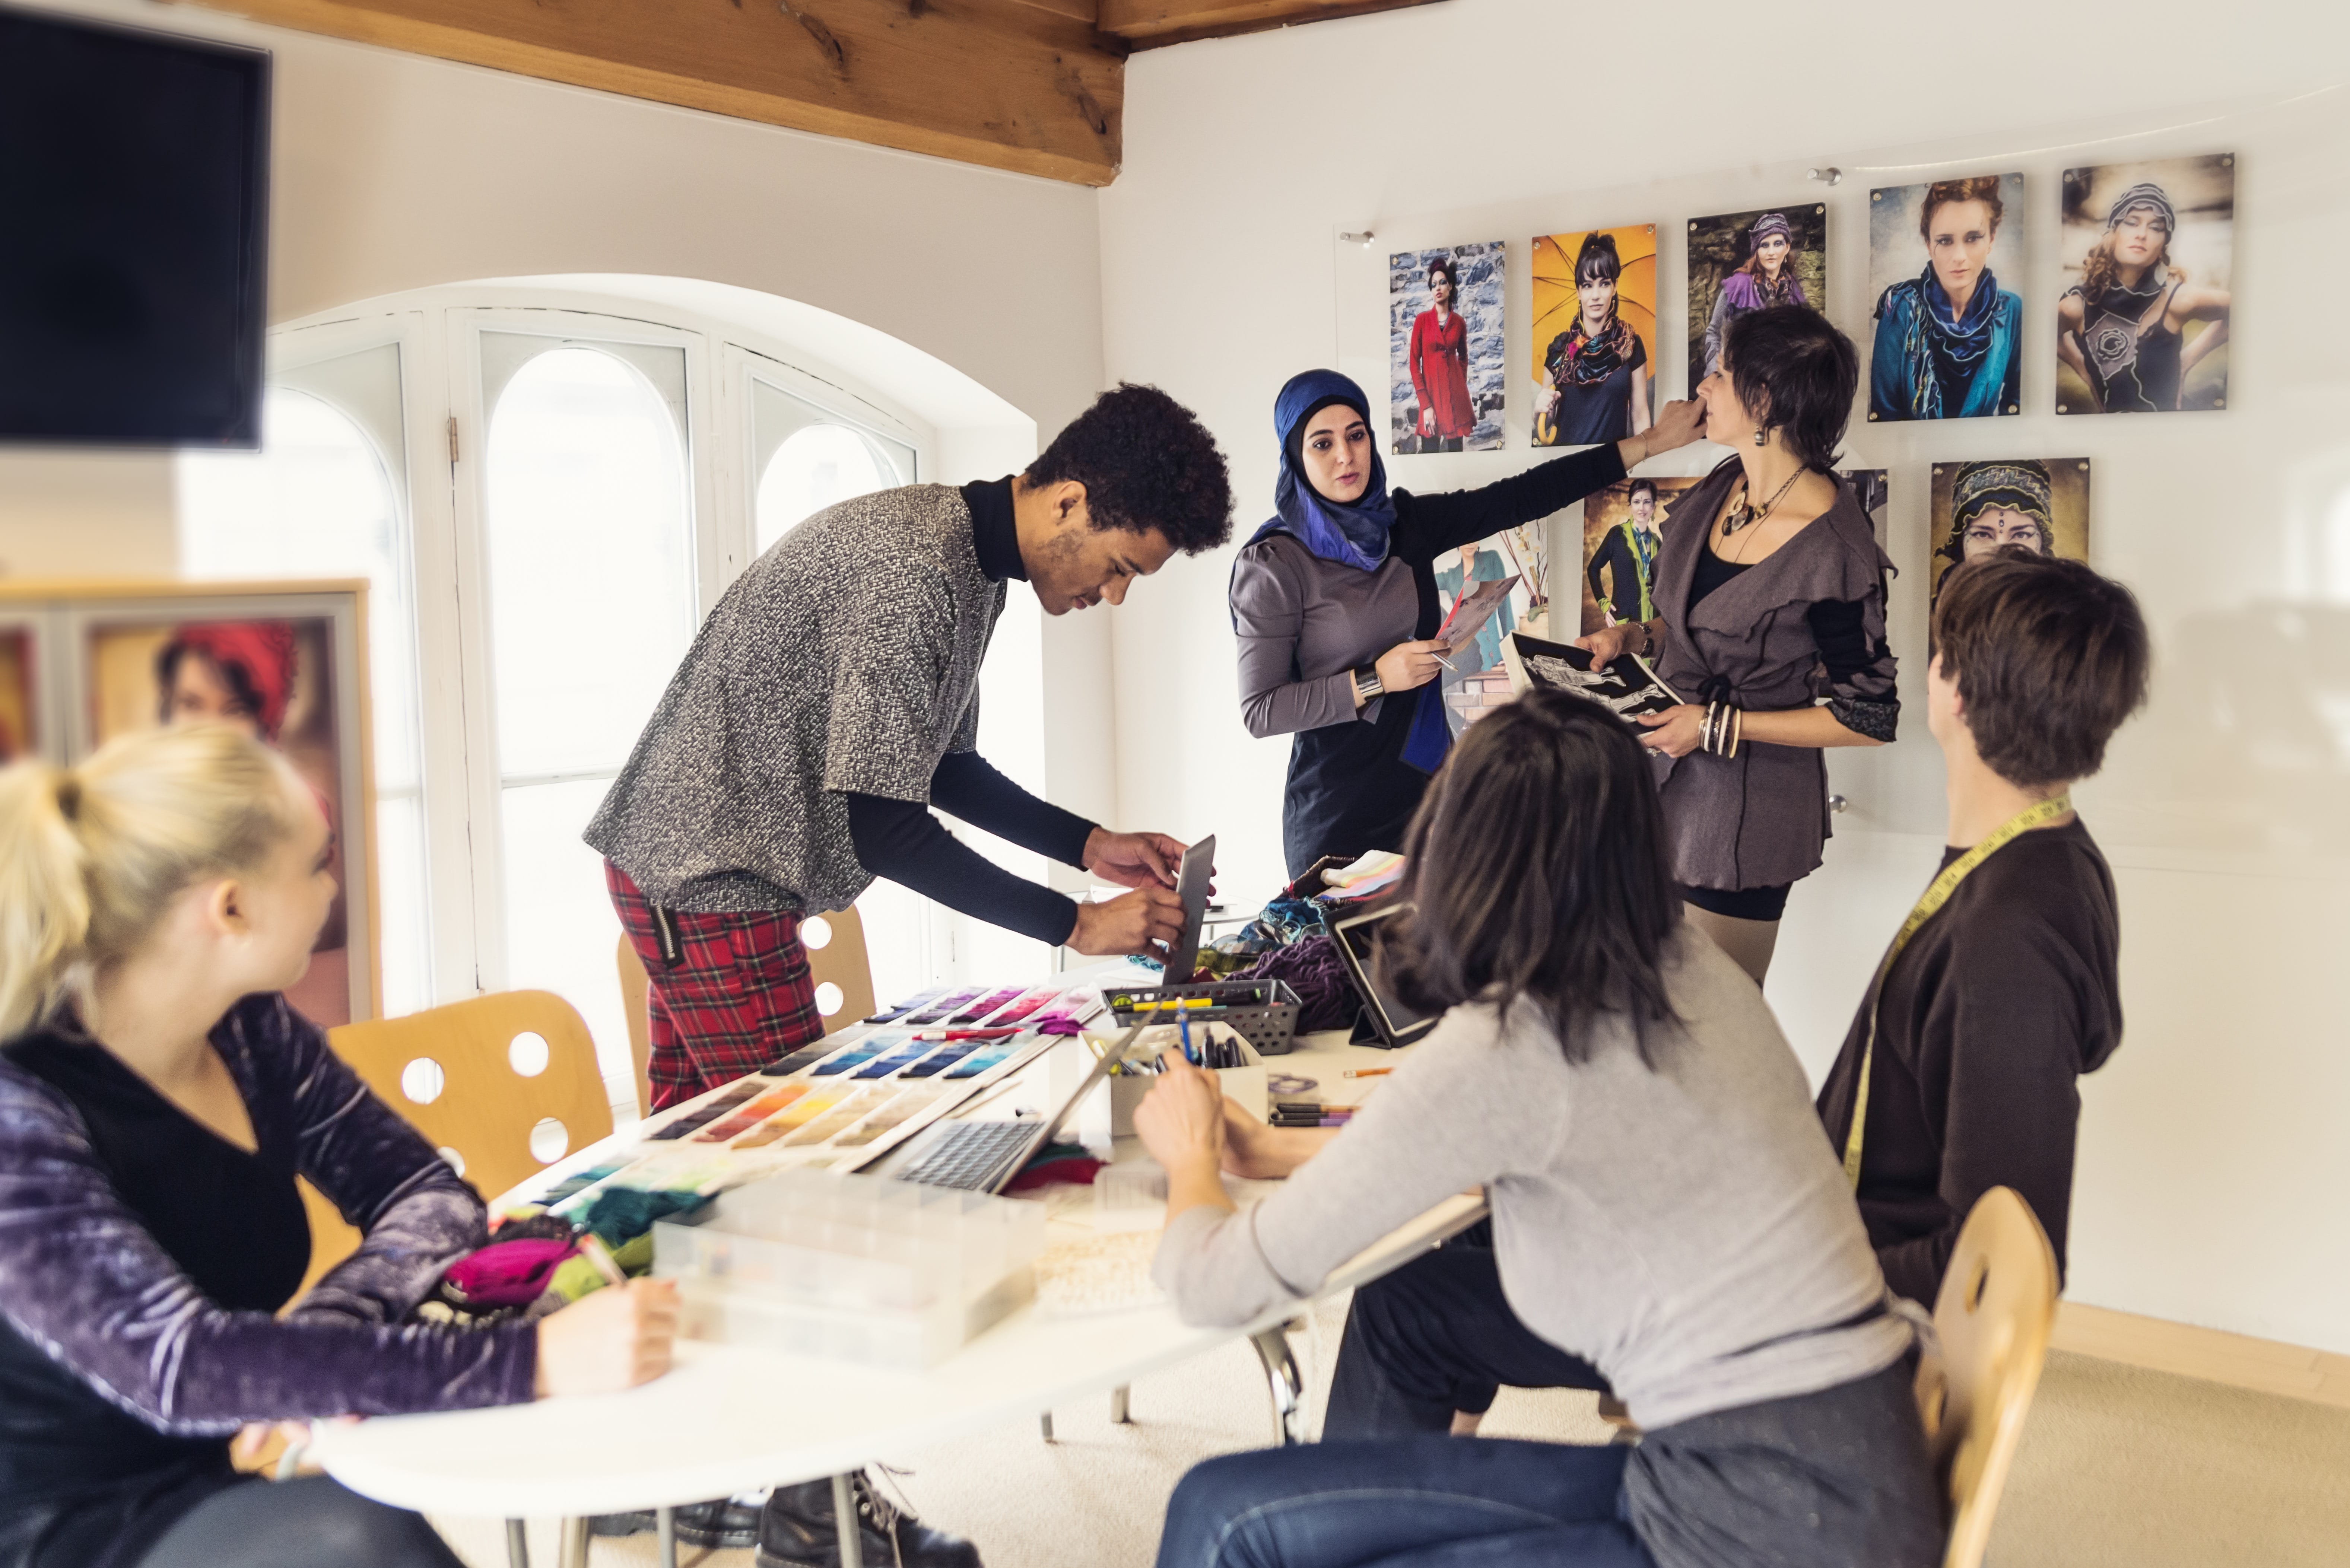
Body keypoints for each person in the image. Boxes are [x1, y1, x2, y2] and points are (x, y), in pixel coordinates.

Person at [1136, 689, 1942, 1568]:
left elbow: (1215, 1286)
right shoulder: (1678, 961)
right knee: (1407, 1306)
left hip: (1752, 1526)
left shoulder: (1515, 1040)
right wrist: (1282, 1149)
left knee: (1219, 1511)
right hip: (1841, 1462)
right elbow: (1523, 1159)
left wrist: (1189, 1160)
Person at [0, 723, 680, 1568]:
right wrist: (530, 1359)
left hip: (205, 1475)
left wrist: (325, 1336)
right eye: (317, 864)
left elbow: (428, 1194)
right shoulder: (19, 1109)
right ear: (232, 906)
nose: (333, 891)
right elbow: (180, 1363)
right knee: (366, 1539)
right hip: (58, 1526)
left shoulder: (250, 1031)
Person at [586, 384, 1232, 1109]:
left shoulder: (972, 565)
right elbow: (887, 830)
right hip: (708, 867)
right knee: (796, 1144)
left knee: (692, 1144)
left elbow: (944, 769)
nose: (1113, 595)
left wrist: (1089, 844)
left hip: (710, 862)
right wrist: (1077, 923)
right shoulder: (920, 569)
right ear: (1068, 503)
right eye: (1120, 566)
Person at [1819, 551, 2150, 1304]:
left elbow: (2002, 1267)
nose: (1927, 670)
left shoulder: (2009, 942)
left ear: (1958, 696)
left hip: (1857, 1331)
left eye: (1936, 656)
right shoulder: (2041, 852)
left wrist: (1792, 1283)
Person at [1231, 369, 1703, 880]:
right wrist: (1375, 679)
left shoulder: (1404, 525)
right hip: (1339, 810)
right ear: (1294, 458)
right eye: (1322, 443)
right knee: (1346, 961)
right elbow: (1260, 710)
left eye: (1356, 434)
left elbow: (1524, 495)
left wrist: (1651, 442)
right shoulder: (1273, 564)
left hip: (1431, 791)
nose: (1345, 455)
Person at [1577, 306, 1897, 986]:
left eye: (1720, 373)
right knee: (1641, 1022)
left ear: (1766, 401)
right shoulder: (1721, 487)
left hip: (1746, 817)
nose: (1705, 388)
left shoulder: (1837, 547)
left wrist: (1717, 726)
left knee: (1713, 1036)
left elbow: (1868, 717)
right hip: (1658, 789)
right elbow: (1701, 628)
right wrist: (1632, 635)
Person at [2059, 181, 2231, 413]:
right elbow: (2040, 334)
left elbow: (2252, 307)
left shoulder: (2178, 301)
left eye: (2156, 228)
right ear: (2114, 232)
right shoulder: (2075, 307)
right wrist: (2084, 370)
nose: (2142, 235)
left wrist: (2188, 360)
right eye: (2131, 223)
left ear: (2163, 246)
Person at [1871, 175, 2023, 420]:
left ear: (1992, 239)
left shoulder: (2012, 309)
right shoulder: (1901, 307)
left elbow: (2018, 403)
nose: (1959, 256)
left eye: (1973, 238)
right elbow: (1885, 411)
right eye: (1945, 241)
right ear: (1929, 244)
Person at [1536, 232, 1652, 446]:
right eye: (1588, 285)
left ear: (1615, 287)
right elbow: (1545, 427)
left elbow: (1639, 414)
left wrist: (1645, 462)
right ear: (1579, 292)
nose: (1596, 295)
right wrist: (1541, 412)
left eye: (1604, 284)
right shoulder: (1560, 350)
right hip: (1565, 469)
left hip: (1612, 469)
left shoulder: (1631, 345)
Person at [1701, 211, 1808, 381]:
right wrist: (1717, 373)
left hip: (1778, 383)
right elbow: (1713, 333)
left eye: (1778, 244)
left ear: (1787, 247)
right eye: (1764, 245)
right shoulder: (1737, 285)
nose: (1771, 252)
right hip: (1737, 380)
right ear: (1756, 250)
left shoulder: (1794, 289)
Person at [1933, 460, 2056, 604]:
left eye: (2021, 535)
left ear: (2043, 546)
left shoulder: (2066, 612)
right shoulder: (1945, 605)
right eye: (1983, 535)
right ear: (1960, 543)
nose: (2001, 552)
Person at [1407, 257, 1476, 452]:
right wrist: (1425, 405)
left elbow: (1463, 357)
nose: (1438, 288)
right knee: (1430, 452)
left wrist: (1460, 381)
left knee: (1456, 453)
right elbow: (1413, 363)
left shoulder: (1459, 323)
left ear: (1451, 286)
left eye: (1442, 283)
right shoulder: (1422, 321)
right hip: (1431, 398)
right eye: (1434, 285)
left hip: (1456, 398)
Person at [1585, 477, 1665, 627]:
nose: (1642, 508)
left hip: (1652, 622)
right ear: (1630, 506)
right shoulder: (1617, 535)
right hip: (1623, 621)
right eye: (1637, 502)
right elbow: (1593, 569)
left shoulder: (1657, 542)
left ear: (1654, 507)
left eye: (1647, 502)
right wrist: (1604, 603)